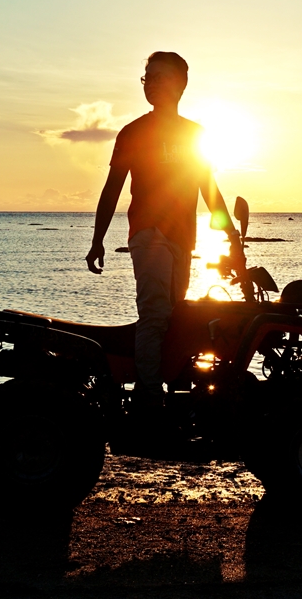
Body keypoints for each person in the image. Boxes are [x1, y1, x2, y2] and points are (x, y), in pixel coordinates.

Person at [85, 51, 238, 410]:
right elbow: (112, 188)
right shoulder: (134, 132)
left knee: (173, 316)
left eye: (157, 77)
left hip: (183, 238)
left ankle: (165, 389)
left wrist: (231, 236)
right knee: (154, 314)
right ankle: (149, 400)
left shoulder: (195, 135)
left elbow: (209, 190)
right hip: (148, 232)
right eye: (146, 78)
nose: (149, 84)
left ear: (180, 83)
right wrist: (97, 240)